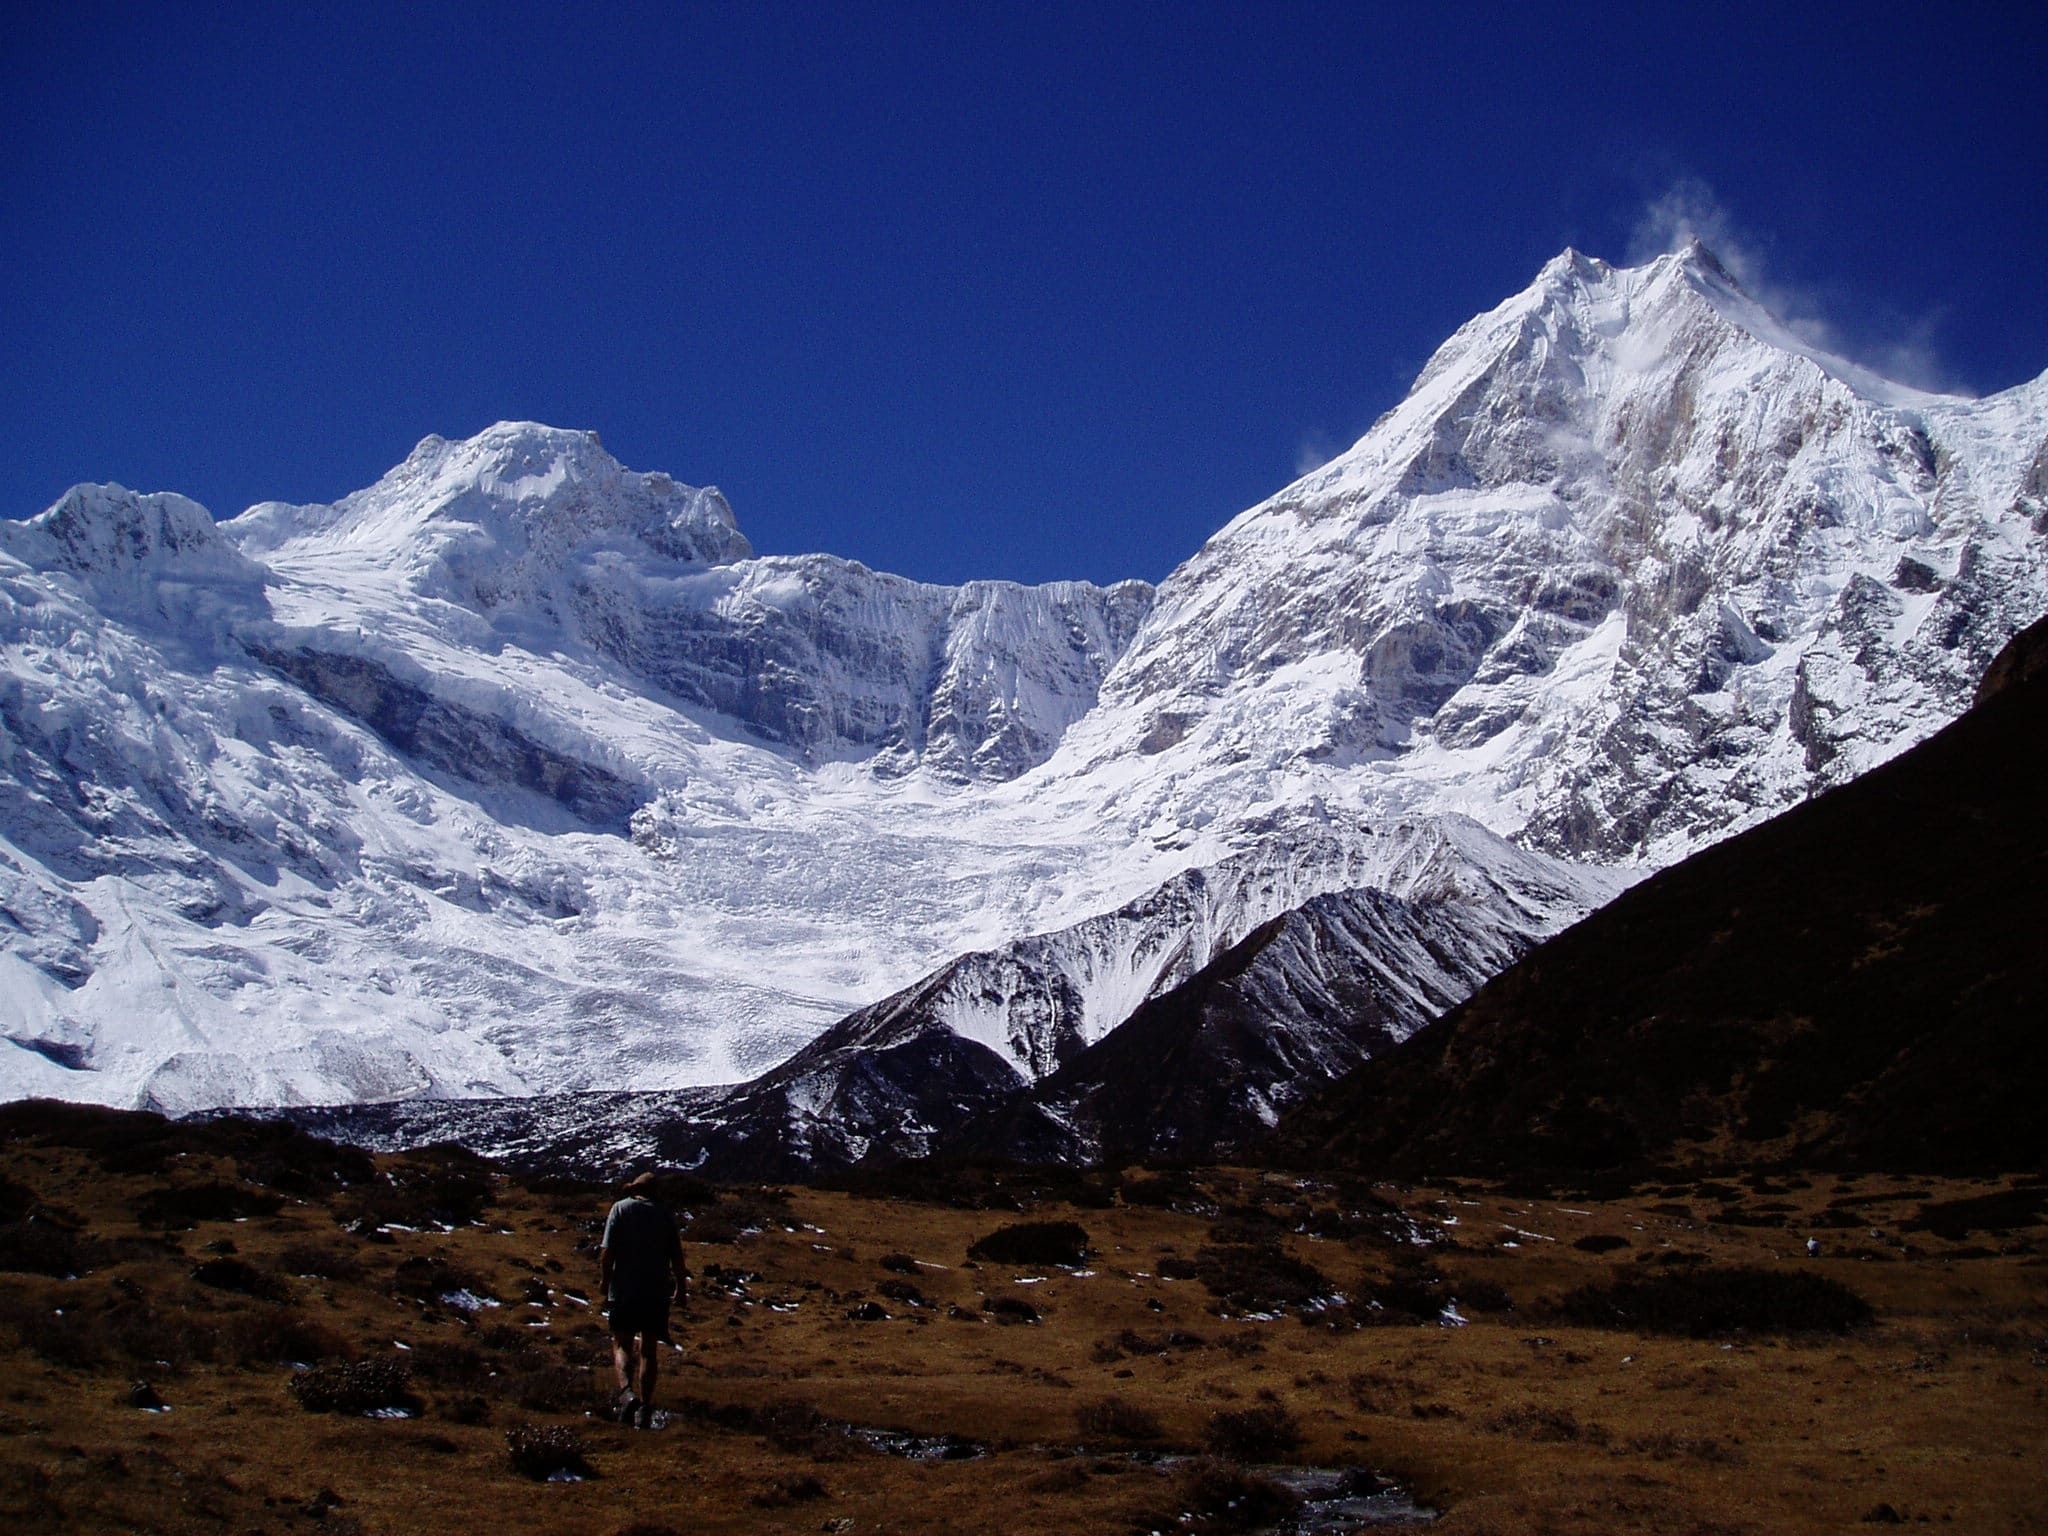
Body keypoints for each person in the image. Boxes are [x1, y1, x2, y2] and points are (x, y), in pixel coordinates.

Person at [599, 1171, 688, 1429]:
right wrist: (681, 1289)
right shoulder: (664, 1214)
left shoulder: (620, 1209)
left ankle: (627, 1394)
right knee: (649, 1350)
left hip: (624, 1290)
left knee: (622, 1344)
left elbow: (607, 1253)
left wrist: (605, 1283)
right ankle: (646, 1407)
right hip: (655, 1292)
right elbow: (677, 1258)